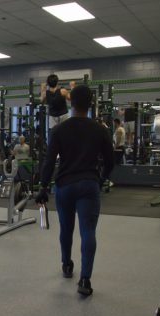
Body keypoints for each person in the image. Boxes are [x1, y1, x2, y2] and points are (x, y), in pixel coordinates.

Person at [35, 85, 114, 296]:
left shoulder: (59, 130)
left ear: (70, 102)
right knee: (88, 231)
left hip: (65, 186)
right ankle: (85, 280)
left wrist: (43, 186)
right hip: (88, 184)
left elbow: (49, 162)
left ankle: (67, 265)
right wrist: (101, 179)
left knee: (66, 229)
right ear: (91, 104)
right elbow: (111, 161)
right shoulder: (100, 129)